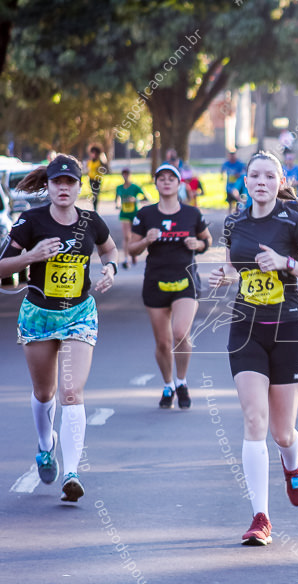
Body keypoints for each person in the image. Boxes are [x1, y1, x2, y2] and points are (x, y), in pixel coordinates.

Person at [207, 150, 298, 546]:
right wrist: (225, 275)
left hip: (287, 330)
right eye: (255, 175)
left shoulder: (293, 222)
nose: (261, 181)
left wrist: (287, 264)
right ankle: (261, 517)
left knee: (282, 433)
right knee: (255, 421)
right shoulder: (235, 221)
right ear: (245, 182)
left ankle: (292, 461)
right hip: (246, 328)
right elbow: (235, 268)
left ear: (279, 181)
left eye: (269, 175)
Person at [0, 154, 118, 503]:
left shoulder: (91, 222)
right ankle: (46, 445)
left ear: (79, 187)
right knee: (45, 393)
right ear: (47, 186)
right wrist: (31, 256)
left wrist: (111, 270)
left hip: (79, 311)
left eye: (70, 183)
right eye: (57, 182)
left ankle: (72, 472)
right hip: (39, 314)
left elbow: (110, 250)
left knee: (72, 392)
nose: (64, 188)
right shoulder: (30, 221)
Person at [126, 164, 211, 409]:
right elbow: (131, 249)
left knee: (180, 332)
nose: (166, 182)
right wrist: (145, 240)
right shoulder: (145, 214)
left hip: (186, 281)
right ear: (156, 183)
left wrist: (198, 245)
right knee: (163, 343)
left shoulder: (191, 214)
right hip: (155, 282)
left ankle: (182, 381)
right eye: (161, 178)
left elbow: (207, 240)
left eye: (171, 178)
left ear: (178, 184)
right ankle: (168, 385)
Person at [114, 168, 149, 269]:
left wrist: (135, 199)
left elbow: (145, 198)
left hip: (134, 214)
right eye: (124, 174)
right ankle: (126, 258)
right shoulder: (119, 188)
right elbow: (116, 200)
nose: (125, 176)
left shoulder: (135, 187)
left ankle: (133, 254)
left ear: (130, 175)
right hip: (124, 214)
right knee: (126, 237)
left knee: (134, 236)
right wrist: (117, 205)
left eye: (127, 174)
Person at [221, 150, 246, 215]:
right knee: (230, 203)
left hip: (238, 187)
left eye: (233, 155)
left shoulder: (240, 163)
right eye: (230, 155)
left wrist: (238, 175)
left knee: (238, 203)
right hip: (229, 187)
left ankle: (238, 215)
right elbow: (222, 170)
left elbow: (244, 172)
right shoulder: (226, 163)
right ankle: (229, 216)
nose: (232, 157)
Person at [86, 146, 108, 212]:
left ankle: (95, 208)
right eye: (93, 153)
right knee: (93, 193)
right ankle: (94, 208)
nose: (94, 155)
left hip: (97, 180)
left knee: (96, 193)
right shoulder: (90, 161)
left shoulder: (100, 161)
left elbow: (105, 169)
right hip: (91, 179)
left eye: (95, 153)